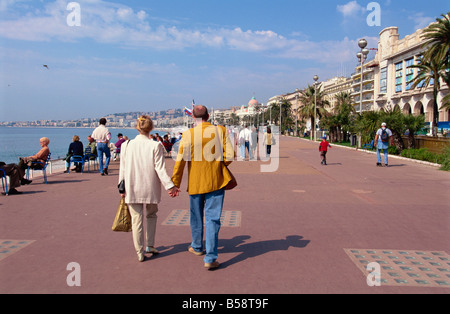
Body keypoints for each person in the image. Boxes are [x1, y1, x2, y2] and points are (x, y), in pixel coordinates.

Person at [172, 105, 234, 270]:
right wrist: (217, 165)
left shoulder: (188, 135)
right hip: (216, 180)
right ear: (208, 115)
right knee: (213, 219)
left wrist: (175, 183)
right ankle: (211, 257)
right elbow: (230, 155)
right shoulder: (220, 131)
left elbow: (180, 161)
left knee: (196, 216)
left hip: (195, 182)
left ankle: (197, 246)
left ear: (193, 117)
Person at [119, 115, 179, 262]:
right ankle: (150, 245)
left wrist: (121, 188)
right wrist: (169, 186)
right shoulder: (155, 145)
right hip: (149, 186)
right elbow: (159, 169)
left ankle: (139, 251)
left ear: (137, 127)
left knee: (136, 219)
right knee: (151, 215)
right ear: (151, 128)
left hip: (132, 186)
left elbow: (123, 168)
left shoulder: (126, 145)